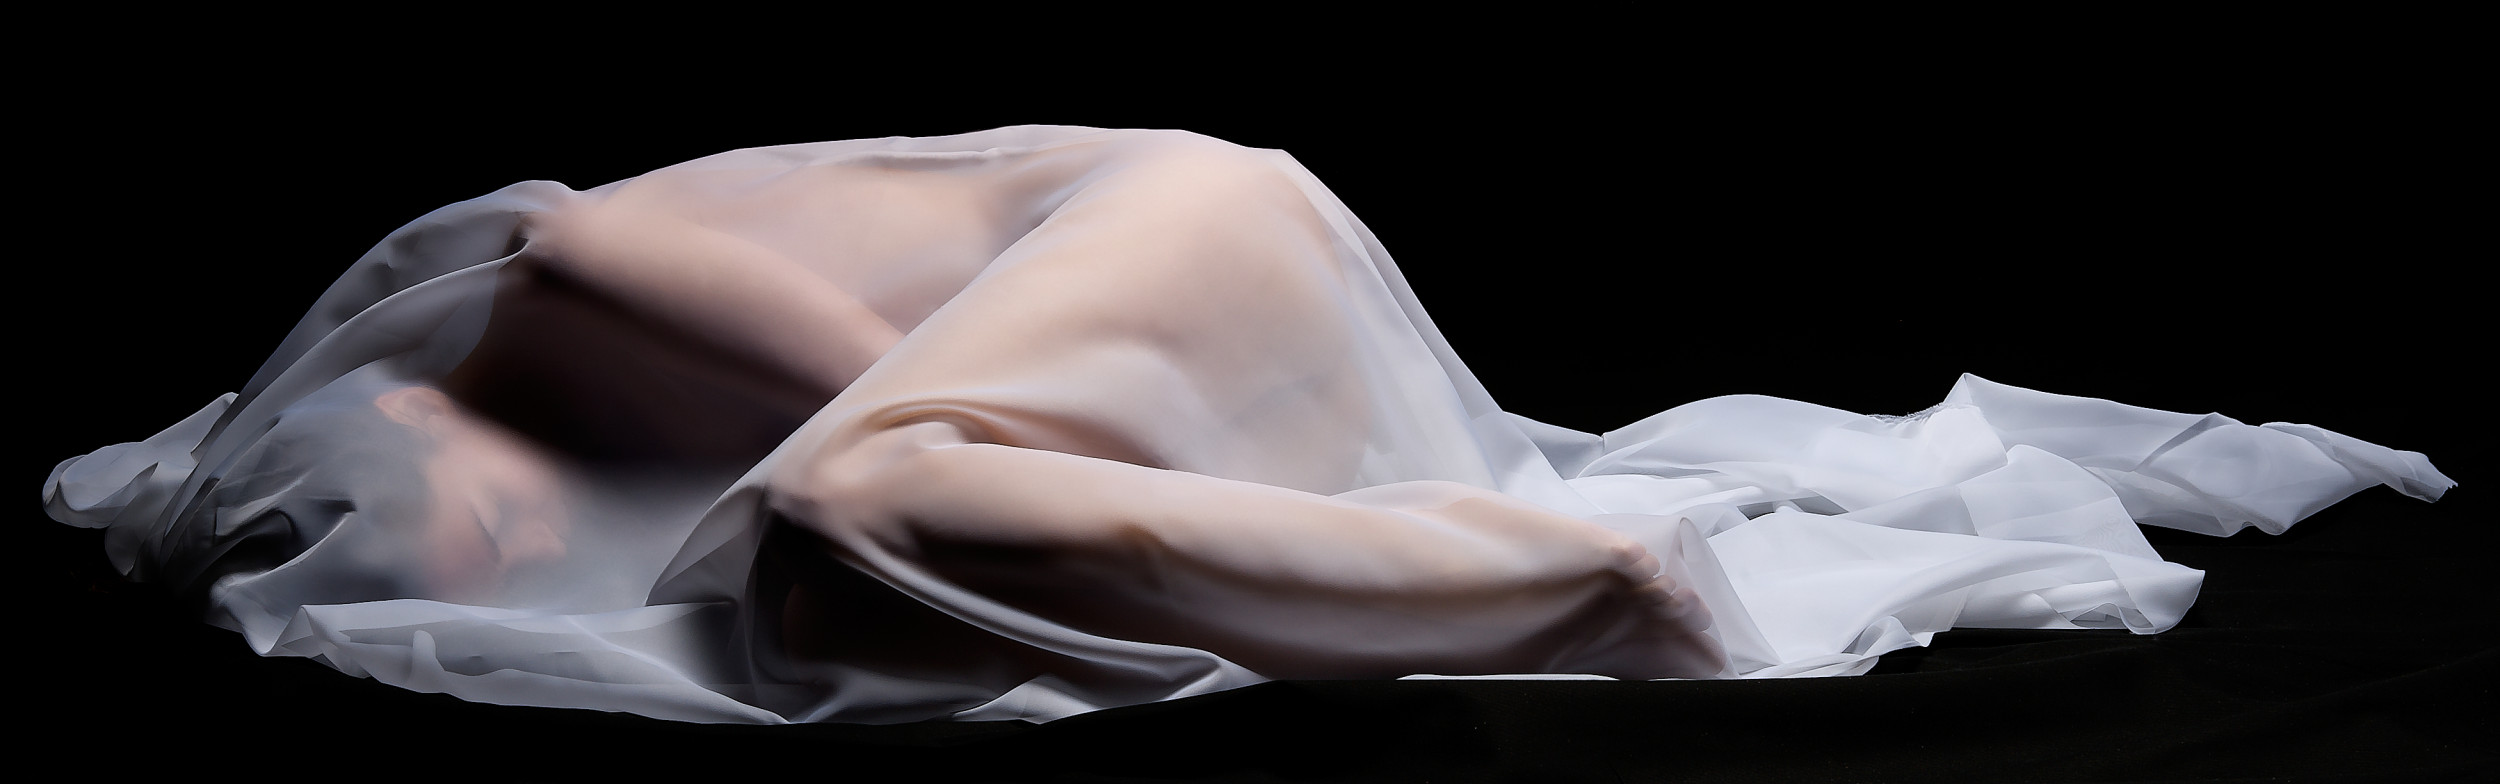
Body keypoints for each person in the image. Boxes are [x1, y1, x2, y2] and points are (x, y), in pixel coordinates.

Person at [40, 125, 2452, 725]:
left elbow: (855, 361)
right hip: (1113, 366)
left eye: (343, 518)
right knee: (816, 563)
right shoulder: (491, 444)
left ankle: (1615, 583)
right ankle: (1553, 563)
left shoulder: (568, 264)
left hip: (1174, 233)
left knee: (838, 512)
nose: (377, 567)